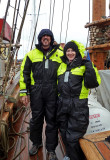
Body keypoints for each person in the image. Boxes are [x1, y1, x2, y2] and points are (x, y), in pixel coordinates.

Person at [19, 29, 63, 160]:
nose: (45, 38)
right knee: (36, 119)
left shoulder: (60, 54)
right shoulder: (31, 55)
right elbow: (24, 74)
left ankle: (51, 149)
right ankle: (36, 143)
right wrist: (23, 92)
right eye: (43, 36)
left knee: (52, 120)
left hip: (53, 90)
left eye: (48, 36)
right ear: (40, 39)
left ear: (51, 38)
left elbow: (67, 71)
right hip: (36, 90)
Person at [57, 40, 101, 160]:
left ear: (77, 52)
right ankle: (69, 155)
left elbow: (93, 83)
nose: (70, 53)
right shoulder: (62, 66)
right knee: (64, 132)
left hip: (78, 105)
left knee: (73, 136)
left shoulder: (85, 65)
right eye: (68, 51)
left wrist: (88, 66)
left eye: (72, 51)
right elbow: (58, 84)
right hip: (63, 104)